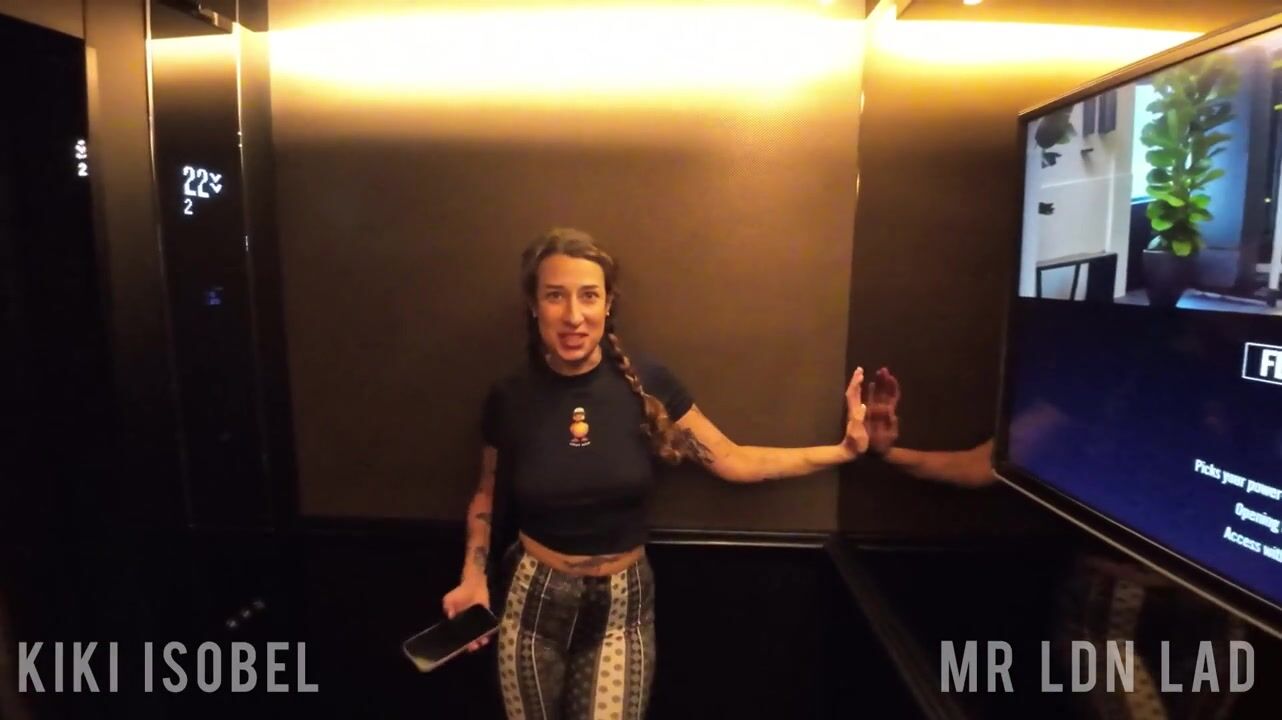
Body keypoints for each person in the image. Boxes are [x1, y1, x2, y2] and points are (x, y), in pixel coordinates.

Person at [439, 227, 899, 720]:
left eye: (589, 295)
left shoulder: (648, 383)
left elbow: (732, 459)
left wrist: (843, 451)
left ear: (608, 304)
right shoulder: (510, 397)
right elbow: (486, 495)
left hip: (622, 606)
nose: (573, 315)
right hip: (532, 603)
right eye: (555, 296)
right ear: (534, 306)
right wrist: (473, 576)